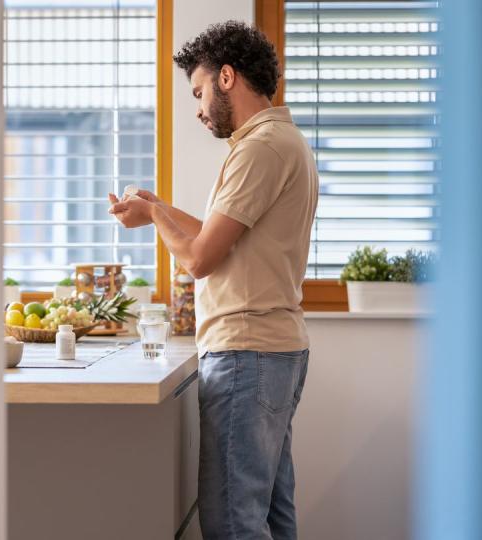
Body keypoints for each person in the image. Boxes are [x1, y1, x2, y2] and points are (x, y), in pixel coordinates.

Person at [108, 20, 317, 540]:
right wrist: (159, 207)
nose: (198, 109)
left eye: (199, 92)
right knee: (268, 512)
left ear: (227, 77)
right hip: (273, 349)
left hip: (247, 352)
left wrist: (156, 221)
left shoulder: (259, 149)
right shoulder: (278, 140)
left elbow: (199, 260)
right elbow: (223, 238)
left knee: (231, 522)